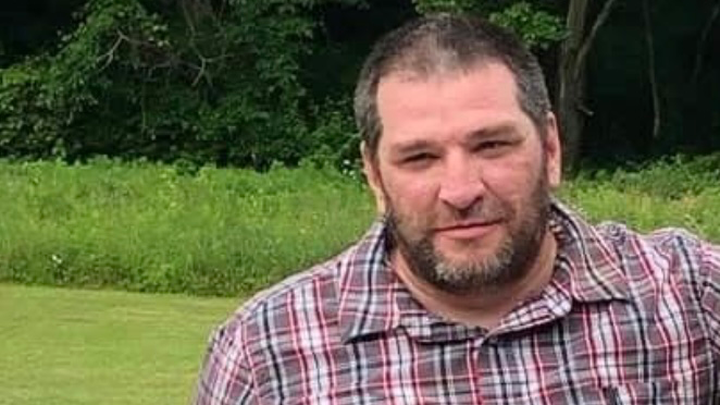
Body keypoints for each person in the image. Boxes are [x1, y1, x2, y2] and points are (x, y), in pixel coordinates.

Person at [195, 14, 720, 404]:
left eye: (491, 145)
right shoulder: (266, 354)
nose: (461, 190)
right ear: (374, 175)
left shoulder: (688, 295)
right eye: (419, 157)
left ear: (551, 149)